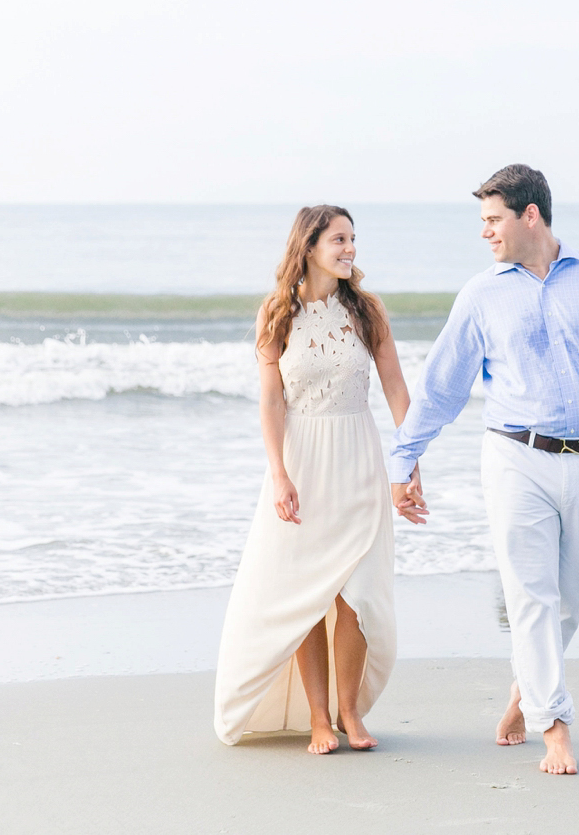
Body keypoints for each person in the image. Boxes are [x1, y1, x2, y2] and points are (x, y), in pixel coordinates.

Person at [388, 164, 579, 775]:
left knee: (570, 601)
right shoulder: (482, 293)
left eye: (492, 219)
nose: (484, 233)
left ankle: (522, 693)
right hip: (513, 458)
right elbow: (441, 386)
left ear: (529, 215)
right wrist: (404, 459)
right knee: (530, 597)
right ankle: (554, 726)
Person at [214, 205, 424, 753]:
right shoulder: (276, 313)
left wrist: (409, 463)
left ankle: (350, 713)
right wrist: (279, 473)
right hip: (302, 463)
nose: (350, 247)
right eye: (339, 239)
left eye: (353, 238)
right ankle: (317, 719)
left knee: (356, 598)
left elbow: (397, 389)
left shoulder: (367, 310)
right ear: (308, 247)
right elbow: (270, 401)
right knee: (308, 594)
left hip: (359, 458)